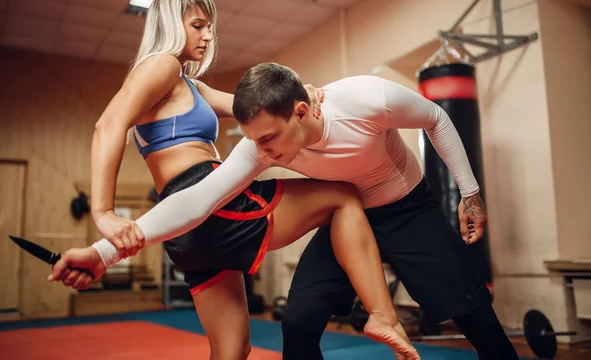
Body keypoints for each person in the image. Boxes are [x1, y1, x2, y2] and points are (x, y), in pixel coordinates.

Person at [51, 0, 421, 360]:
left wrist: (301, 94)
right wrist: (104, 213)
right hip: (211, 203)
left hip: (185, 232)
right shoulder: (161, 65)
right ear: (170, 23)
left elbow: (261, 108)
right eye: (198, 25)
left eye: (211, 27)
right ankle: (383, 315)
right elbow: (107, 126)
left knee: (232, 350)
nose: (209, 36)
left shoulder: (190, 86)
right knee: (342, 197)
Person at [54, 60, 520, 360]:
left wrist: (470, 193)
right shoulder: (261, 147)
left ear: (302, 111)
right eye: (253, 139)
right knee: (297, 322)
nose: (261, 153)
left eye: (269, 138)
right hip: (349, 215)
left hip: (407, 208)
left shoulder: (365, 98)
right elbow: (198, 199)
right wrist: (104, 251)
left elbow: (437, 119)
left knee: (474, 314)